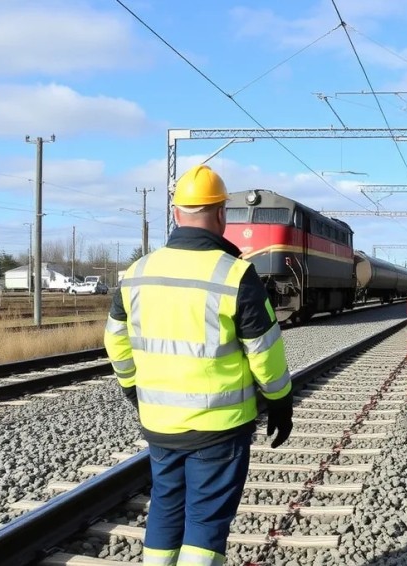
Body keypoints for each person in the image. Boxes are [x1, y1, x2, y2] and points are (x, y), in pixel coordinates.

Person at [104, 164, 293, 566]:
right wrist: (280, 401)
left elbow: (115, 341)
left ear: (175, 213)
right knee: (205, 524)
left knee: (165, 509)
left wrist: (131, 388)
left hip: (159, 423)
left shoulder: (137, 272)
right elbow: (265, 352)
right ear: (222, 214)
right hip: (218, 428)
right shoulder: (236, 275)